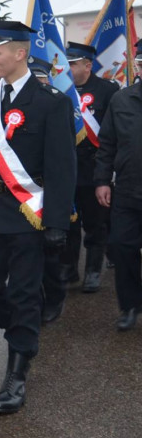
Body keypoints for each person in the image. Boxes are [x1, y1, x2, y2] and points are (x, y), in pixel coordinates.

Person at [0, 21, 76, 415]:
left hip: (30, 211)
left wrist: (57, 221)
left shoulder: (51, 102)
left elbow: (62, 167)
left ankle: (17, 373)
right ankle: (23, 332)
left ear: (20, 53)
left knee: (24, 294)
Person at [62, 41, 119, 292]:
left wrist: (105, 176)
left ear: (87, 65)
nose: (68, 69)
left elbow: (111, 133)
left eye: (72, 64)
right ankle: (69, 268)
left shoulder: (107, 90)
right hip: (67, 167)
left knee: (95, 223)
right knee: (68, 222)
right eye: (66, 64)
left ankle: (93, 270)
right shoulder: (61, 90)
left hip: (94, 167)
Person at [94, 41, 142, 331]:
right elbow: (107, 143)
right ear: (136, 65)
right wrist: (101, 180)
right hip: (127, 189)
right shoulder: (122, 100)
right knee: (120, 247)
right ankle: (130, 305)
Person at [27, 57, 70, 324]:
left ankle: (54, 296)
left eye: (40, 78)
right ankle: (33, 301)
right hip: (19, 192)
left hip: (47, 189)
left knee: (49, 253)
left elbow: (63, 159)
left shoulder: (55, 103)